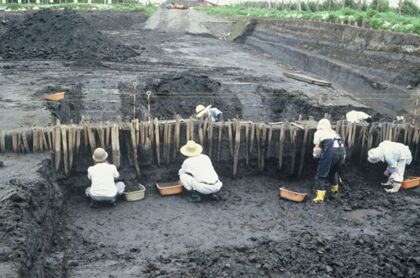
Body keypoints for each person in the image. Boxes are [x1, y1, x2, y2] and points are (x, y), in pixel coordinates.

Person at [312, 119, 346, 203]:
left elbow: (317, 147)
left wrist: (315, 156)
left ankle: (320, 197)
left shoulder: (319, 132)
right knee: (333, 172)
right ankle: (334, 190)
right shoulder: (334, 133)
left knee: (321, 175)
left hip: (331, 153)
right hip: (342, 153)